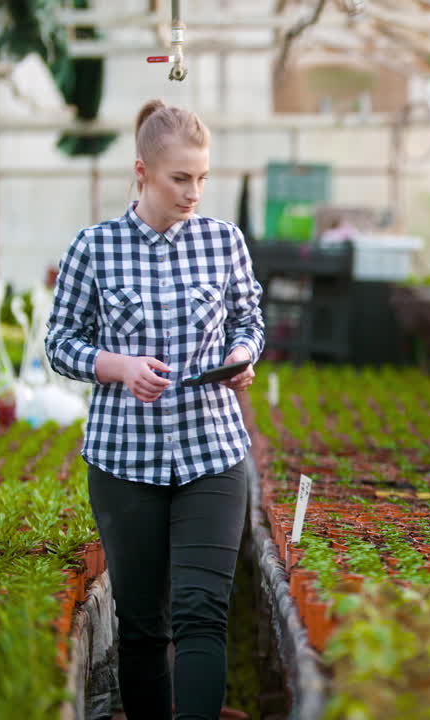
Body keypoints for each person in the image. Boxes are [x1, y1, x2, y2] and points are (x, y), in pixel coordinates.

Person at [46, 99, 264, 720]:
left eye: (201, 178)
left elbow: (249, 319)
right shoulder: (95, 248)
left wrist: (243, 354)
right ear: (142, 172)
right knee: (142, 626)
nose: (194, 192)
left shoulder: (224, 243)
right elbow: (60, 344)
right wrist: (120, 367)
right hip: (124, 462)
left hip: (211, 455)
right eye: (180, 179)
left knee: (202, 614)